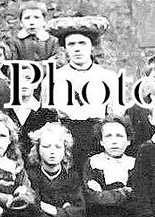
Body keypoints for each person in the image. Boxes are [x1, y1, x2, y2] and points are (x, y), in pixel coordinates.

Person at [48, 17, 121, 169]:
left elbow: (115, 116)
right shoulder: (54, 78)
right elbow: (48, 116)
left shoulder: (108, 77)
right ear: (65, 48)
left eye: (82, 43)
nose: (77, 49)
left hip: (97, 140)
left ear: (92, 47)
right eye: (71, 44)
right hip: (65, 141)